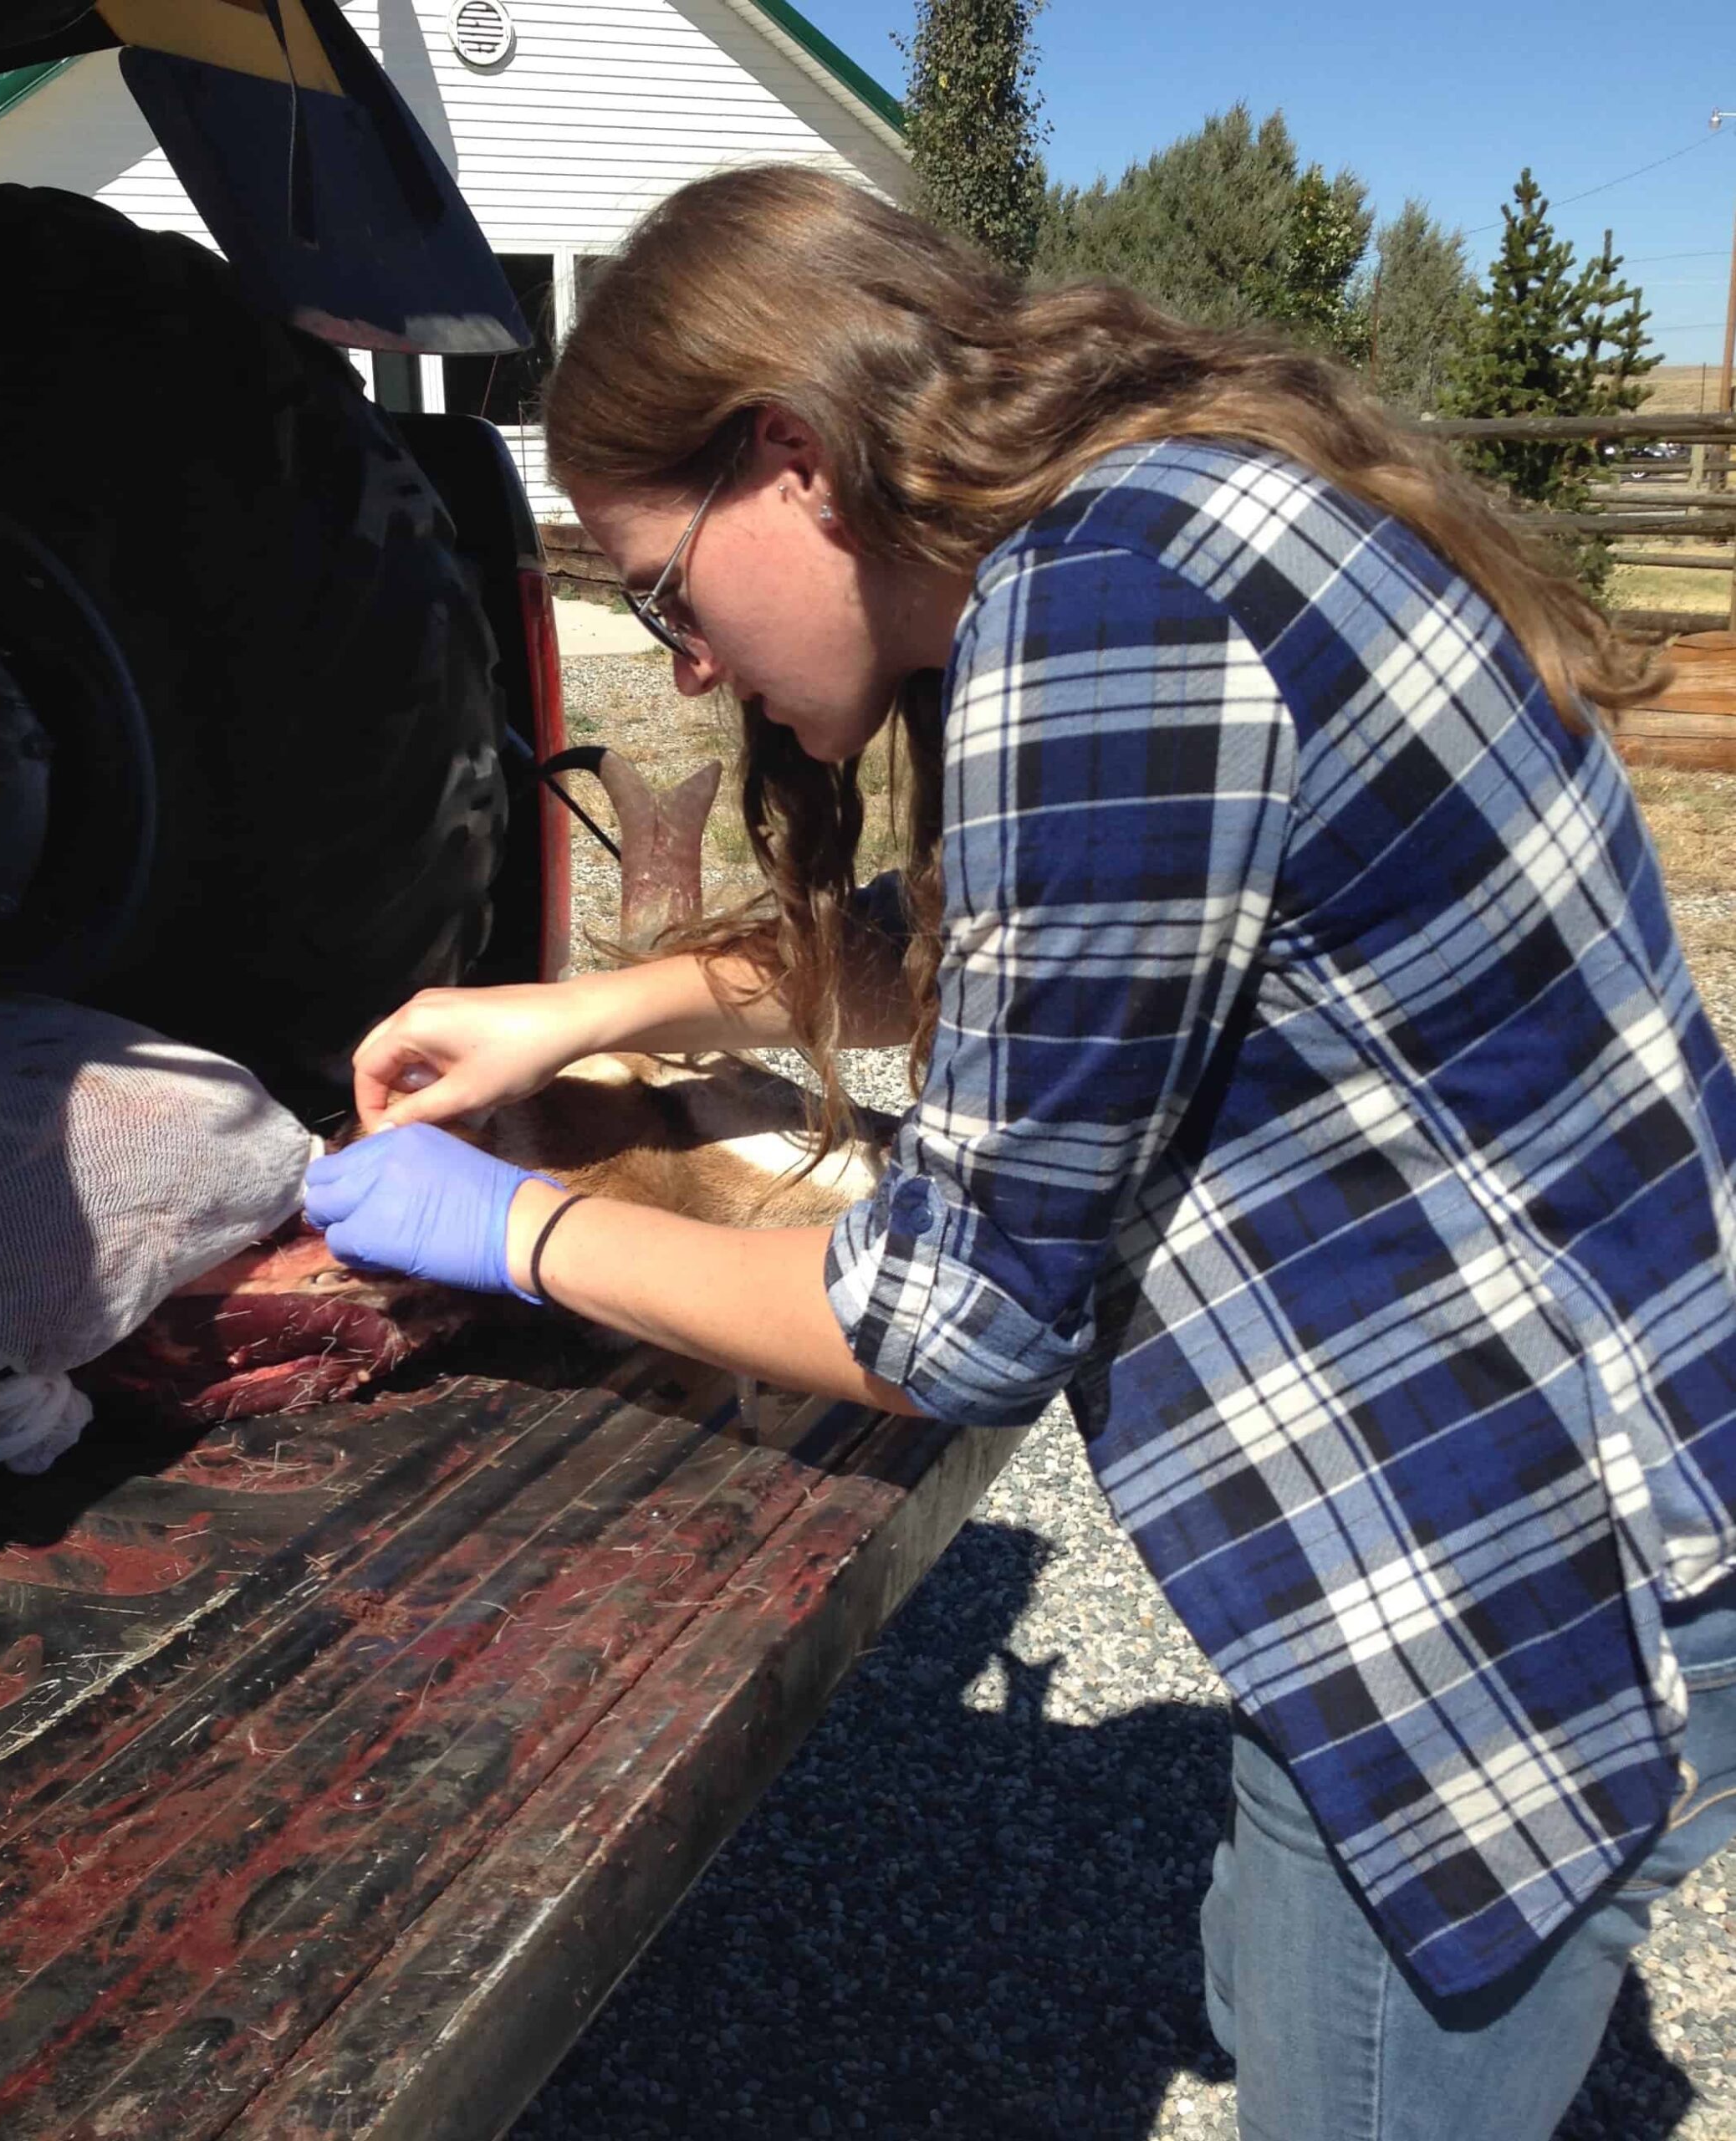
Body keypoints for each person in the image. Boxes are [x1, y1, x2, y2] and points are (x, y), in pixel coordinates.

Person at [301, 165, 1736, 2138]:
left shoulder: (1114, 600)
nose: (687, 662)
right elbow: (988, 930)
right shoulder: (1186, 510)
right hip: (1598, 1453)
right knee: (1281, 1962)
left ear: (791, 456)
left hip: (1513, 1569)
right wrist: (586, 1013)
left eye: (661, 593)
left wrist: (516, 1222)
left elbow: (953, 1323)